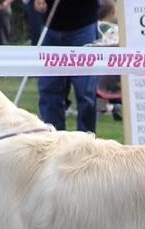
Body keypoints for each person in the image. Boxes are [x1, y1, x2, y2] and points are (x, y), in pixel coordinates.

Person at [35, 0, 99, 132]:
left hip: (83, 25)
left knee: (85, 91)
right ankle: (53, 142)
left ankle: (86, 144)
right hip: (50, 26)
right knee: (49, 90)